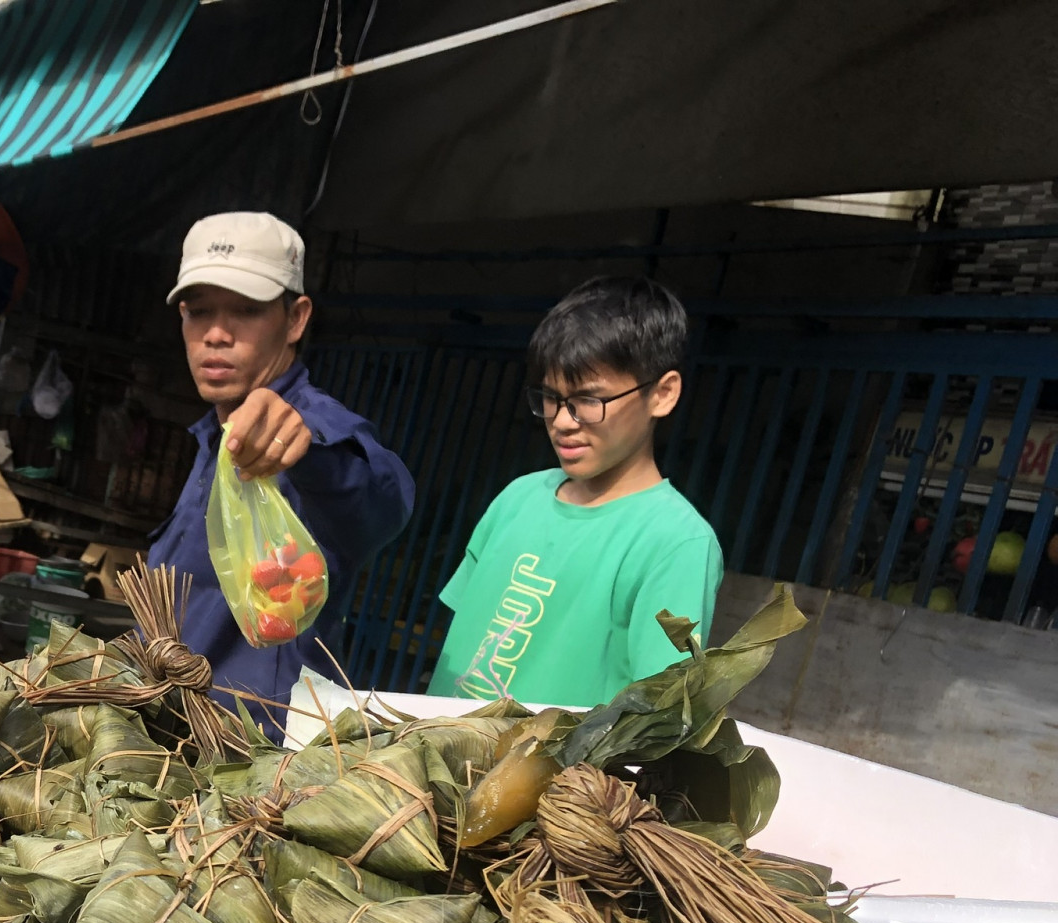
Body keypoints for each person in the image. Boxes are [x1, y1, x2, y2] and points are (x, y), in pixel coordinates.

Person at [146, 212, 415, 717]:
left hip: (249, 759)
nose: (217, 334)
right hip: (163, 735)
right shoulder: (215, 437)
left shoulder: (314, 431)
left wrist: (308, 446)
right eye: (198, 311)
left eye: (246, 310)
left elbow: (382, 498)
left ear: (296, 319)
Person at [431, 276, 723, 706]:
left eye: (589, 400)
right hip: (426, 760)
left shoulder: (676, 542)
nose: (563, 421)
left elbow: (658, 716)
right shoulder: (518, 498)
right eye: (551, 397)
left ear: (662, 394)